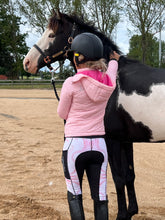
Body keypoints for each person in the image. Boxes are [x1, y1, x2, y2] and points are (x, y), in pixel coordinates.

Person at [57, 32, 120, 220]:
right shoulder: (107, 82)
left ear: (77, 58)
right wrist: (114, 60)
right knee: (100, 196)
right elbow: (112, 70)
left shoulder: (71, 83)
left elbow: (62, 114)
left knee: (75, 194)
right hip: (99, 146)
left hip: (75, 146)